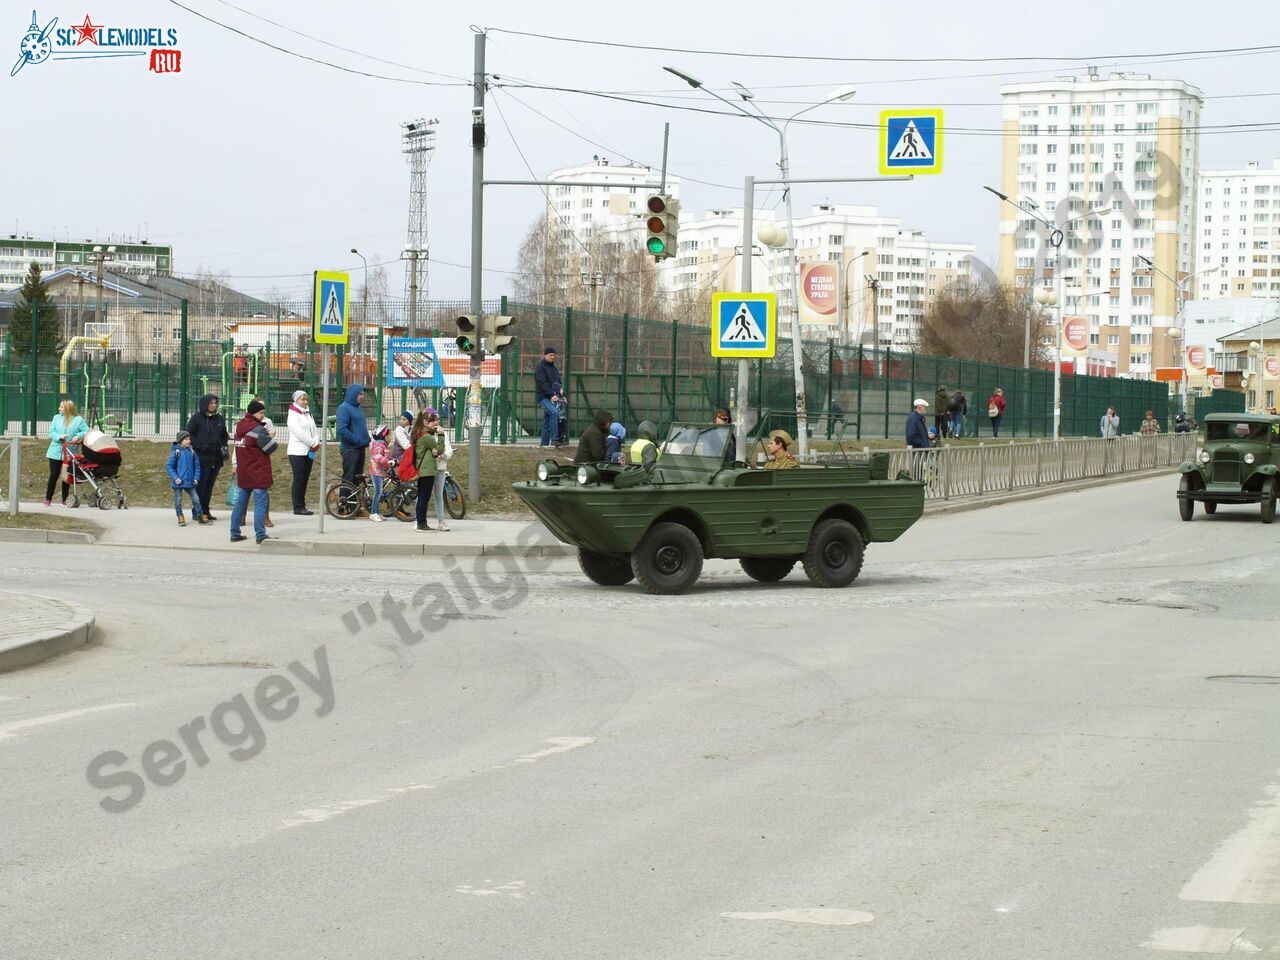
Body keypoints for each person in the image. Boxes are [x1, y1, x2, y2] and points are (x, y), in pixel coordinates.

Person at [229, 400, 274, 545]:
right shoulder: (258, 430)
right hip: (258, 472)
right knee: (260, 503)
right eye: (261, 413)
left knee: (240, 504)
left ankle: (234, 533)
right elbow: (271, 448)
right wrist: (270, 436)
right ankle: (260, 534)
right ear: (254, 413)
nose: (262, 416)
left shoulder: (239, 427)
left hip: (244, 472)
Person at [187, 393, 228, 522]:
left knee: (209, 486)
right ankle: (197, 512)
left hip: (216, 457)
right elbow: (190, 434)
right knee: (201, 486)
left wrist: (224, 446)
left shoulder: (220, 419)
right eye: (211, 403)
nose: (213, 405)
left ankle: (206, 510)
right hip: (202, 458)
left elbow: (224, 435)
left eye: (215, 403)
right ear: (205, 404)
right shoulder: (197, 418)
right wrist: (200, 445)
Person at [45, 399, 88, 506]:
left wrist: (78, 436)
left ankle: (65, 499)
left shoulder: (78, 420)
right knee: (54, 475)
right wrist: (59, 437)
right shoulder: (56, 418)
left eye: (61, 407)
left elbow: (86, 431)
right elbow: (51, 432)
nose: (59, 408)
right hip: (55, 451)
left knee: (66, 476)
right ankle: (48, 499)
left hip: (70, 452)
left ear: (67, 409)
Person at [286, 390, 320, 515]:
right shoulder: (293, 415)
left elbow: (314, 429)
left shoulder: (307, 413)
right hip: (297, 451)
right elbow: (299, 433)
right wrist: (312, 443)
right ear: (296, 400)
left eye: (306, 399)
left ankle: (302, 504)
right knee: (299, 478)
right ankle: (297, 506)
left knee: (305, 478)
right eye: (302, 399)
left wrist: (316, 441)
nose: (305, 402)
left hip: (309, 451)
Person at [410, 410, 445, 531]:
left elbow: (434, 451)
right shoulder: (426, 437)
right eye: (433, 422)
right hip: (427, 471)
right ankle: (421, 523)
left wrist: (434, 451)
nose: (435, 424)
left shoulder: (419, 434)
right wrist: (441, 435)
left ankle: (421, 522)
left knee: (422, 497)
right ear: (425, 422)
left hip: (422, 470)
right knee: (424, 498)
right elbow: (439, 449)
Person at [166, 431, 208, 526]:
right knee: (178, 500)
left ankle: (200, 515)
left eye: (189, 439)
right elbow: (169, 466)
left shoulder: (192, 452)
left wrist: (196, 478)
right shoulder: (175, 452)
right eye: (186, 439)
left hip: (190, 481)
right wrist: (176, 478)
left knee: (196, 499)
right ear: (180, 441)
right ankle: (180, 515)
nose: (188, 441)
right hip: (179, 482)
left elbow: (197, 466)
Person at [336, 383, 370, 486]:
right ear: (353, 394)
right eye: (360, 394)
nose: (362, 397)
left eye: (363, 394)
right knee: (349, 477)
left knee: (358, 478)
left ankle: (354, 500)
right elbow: (342, 429)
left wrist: (367, 439)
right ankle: (345, 500)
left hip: (360, 448)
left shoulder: (358, 409)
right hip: (350, 449)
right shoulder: (344, 408)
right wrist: (357, 440)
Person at [534, 346, 561, 448]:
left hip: (552, 397)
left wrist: (563, 394)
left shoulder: (554, 368)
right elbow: (542, 383)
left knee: (547, 419)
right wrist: (552, 395)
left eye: (554, 355)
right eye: (550, 355)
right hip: (543, 397)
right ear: (545, 355)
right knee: (554, 412)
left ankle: (544, 444)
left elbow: (558, 382)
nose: (552, 357)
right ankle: (554, 439)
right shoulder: (540, 368)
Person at [368, 425, 391, 523]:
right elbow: (377, 456)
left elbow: (386, 456)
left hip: (380, 472)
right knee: (378, 492)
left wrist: (392, 460)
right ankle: (373, 513)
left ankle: (377, 512)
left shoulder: (383, 445)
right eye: (389, 435)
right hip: (376, 472)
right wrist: (387, 461)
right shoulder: (379, 445)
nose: (391, 437)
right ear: (384, 436)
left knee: (379, 492)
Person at [553, 381, 569, 447]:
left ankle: (561, 441)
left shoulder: (562, 397)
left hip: (562, 417)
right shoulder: (555, 397)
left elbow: (565, 403)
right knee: (558, 429)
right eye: (561, 389)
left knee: (563, 429)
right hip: (558, 417)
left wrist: (565, 400)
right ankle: (558, 441)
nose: (562, 391)